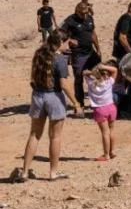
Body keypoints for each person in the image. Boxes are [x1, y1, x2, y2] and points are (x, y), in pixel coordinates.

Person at [12, 32, 82, 182]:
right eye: (66, 42)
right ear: (61, 42)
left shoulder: (39, 54)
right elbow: (64, 84)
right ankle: (53, 172)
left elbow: (33, 77)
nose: (68, 45)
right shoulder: (60, 59)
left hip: (38, 96)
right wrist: (76, 103)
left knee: (34, 135)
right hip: (54, 98)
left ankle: (24, 171)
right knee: (55, 137)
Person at [61, 2, 101, 107]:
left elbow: (93, 34)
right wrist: (69, 39)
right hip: (79, 55)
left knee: (99, 75)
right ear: (77, 11)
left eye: (86, 13)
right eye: (82, 14)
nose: (84, 15)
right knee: (79, 78)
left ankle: (98, 102)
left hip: (91, 52)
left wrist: (98, 49)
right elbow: (59, 33)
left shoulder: (89, 18)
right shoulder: (70, 20)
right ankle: (79, 104)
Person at [83, 61, 119, 161]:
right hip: (111, 107)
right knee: (111, 130)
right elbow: (115, 70)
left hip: (100, 109)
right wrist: (102, 66)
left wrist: (92, 72)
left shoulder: (91, 82)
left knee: (104, 132)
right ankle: (111, 152)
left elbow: (84, 72)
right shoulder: (109, 81)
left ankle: (106, 155)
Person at [113, 1, 131, 101]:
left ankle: (127, 100)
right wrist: (130, 52)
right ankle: (120, 101)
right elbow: (122, 37)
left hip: (127, 54)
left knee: (129, 79)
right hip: (124, 54)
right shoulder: (126, 18)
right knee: (124, 79)